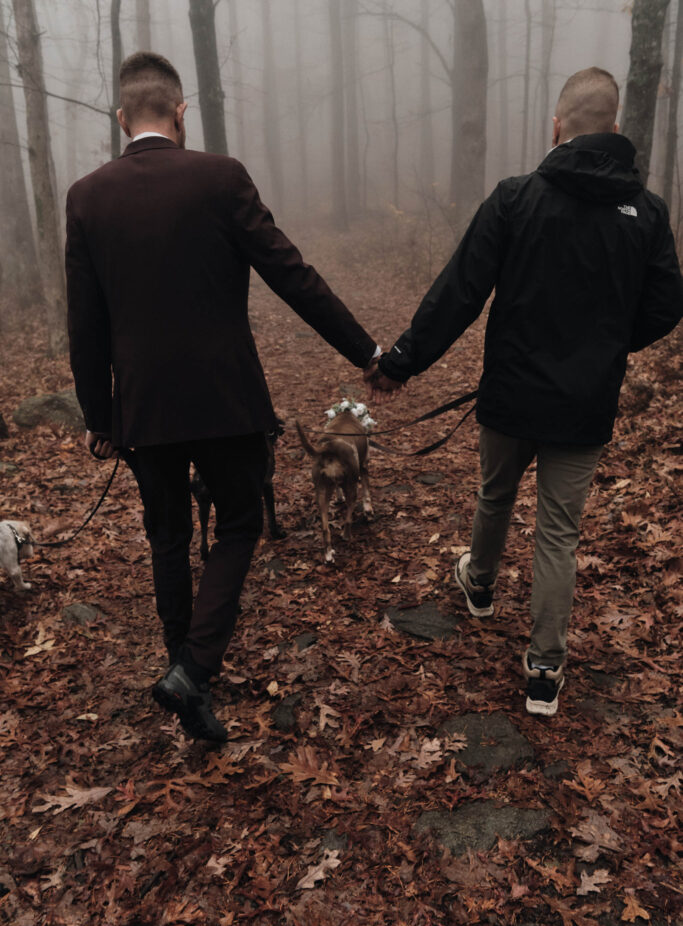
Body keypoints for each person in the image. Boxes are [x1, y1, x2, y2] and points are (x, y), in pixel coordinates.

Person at [67, 52, 380, 742]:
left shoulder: (87, 197)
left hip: (143, 410)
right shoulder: (220, 178)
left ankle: (187, 674)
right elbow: (290, 275)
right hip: (225, 399)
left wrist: (99, 417)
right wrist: (369, 354)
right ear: (181, 114)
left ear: (123, 119)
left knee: (168, 538)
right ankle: (195, 671)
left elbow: (84, 325)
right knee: (238, 525)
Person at [367, 67, 683, 717]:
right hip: (585, 404)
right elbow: (665, 305)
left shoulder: (515, 199)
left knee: (494, 493)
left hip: (511, 392)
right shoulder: (646, 214)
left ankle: (478, 584)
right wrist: (608, 345)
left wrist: (402, 361)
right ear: (616, 130)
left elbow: (459, 291)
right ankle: (543, 668)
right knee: (557, 535)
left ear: (556, 127)